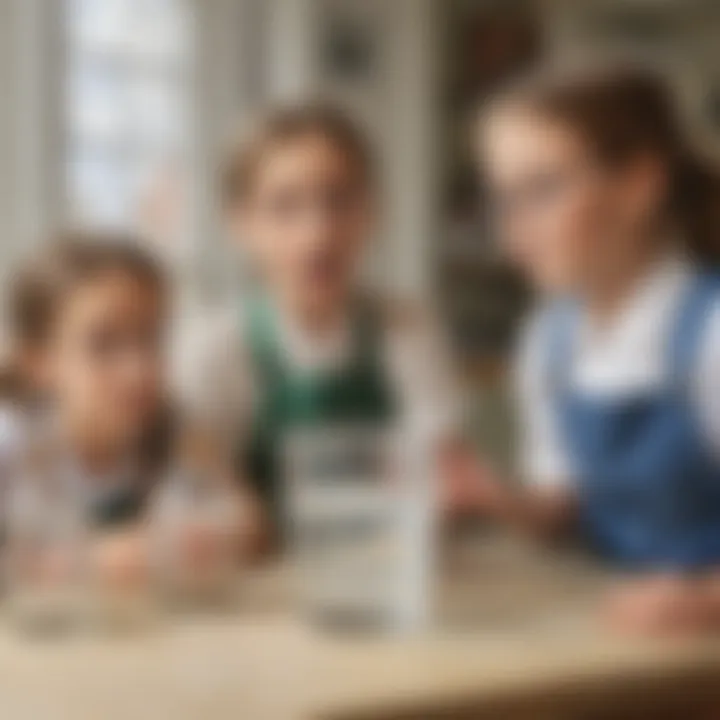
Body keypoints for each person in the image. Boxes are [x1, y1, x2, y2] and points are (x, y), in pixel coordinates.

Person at [472, 60, 720, 635]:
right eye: (503, 197)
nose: (513, 226)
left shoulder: (709, 331)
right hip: (624, 637)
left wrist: (707, 599)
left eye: (542, 190)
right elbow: (567, 509)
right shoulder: (549, 341)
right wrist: (495, 500)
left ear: (639, 186)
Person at [175, 102, 467, 539]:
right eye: (285, 206)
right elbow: (204, 492)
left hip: (382, 565)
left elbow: (443, 469)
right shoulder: (214, 347)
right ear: (241, 224)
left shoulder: (407, 328)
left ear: (372, 212)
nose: (319, 233)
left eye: (340, 200)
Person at [0, 233, 262, 576]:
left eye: (150, 338)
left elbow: (253, 525)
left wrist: (220, 531)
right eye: (104, 344)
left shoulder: (170, 428)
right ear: (40, 363)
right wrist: (108, 559)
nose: (138, 369)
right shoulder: (12, 443)